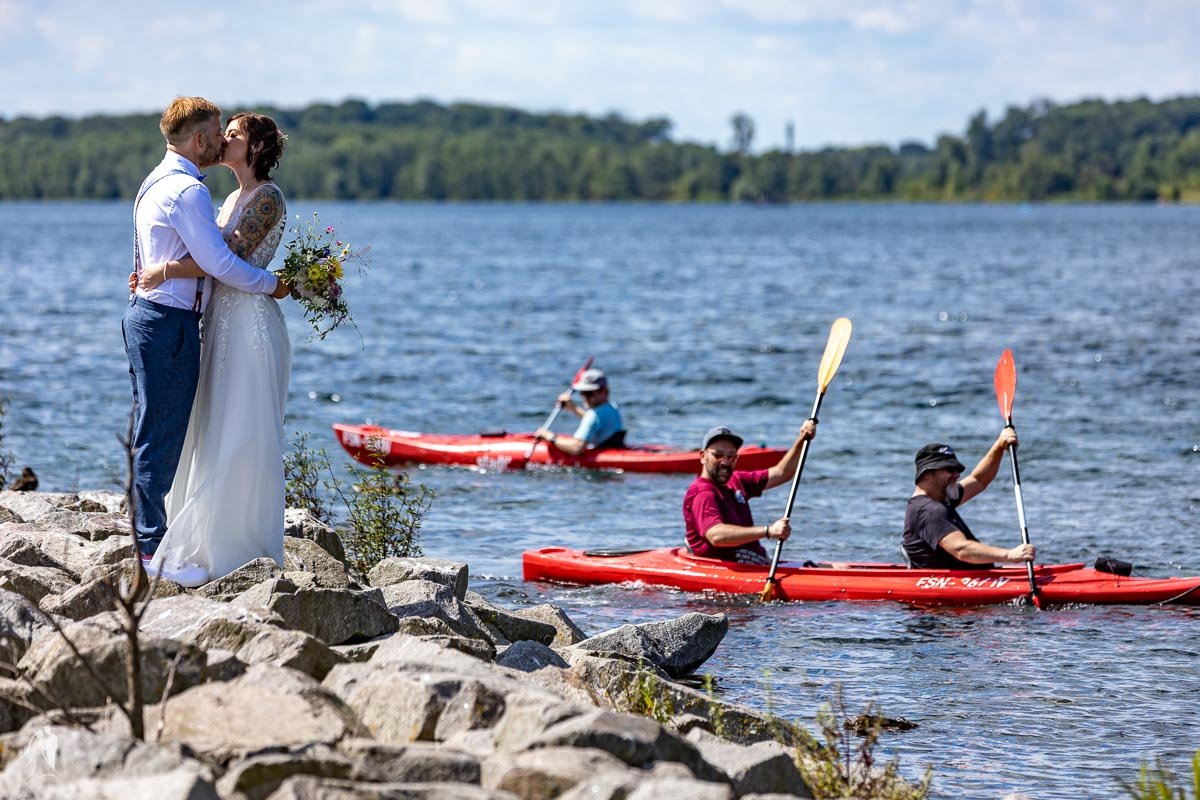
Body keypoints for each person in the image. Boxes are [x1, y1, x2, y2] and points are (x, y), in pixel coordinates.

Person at [123, 97, 290, 585]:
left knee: (234, 426)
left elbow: (223, 257)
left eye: (233, 134)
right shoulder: (195, 192)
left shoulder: (256, 196)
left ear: (255, 147)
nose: (224, 140)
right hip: (193, 318)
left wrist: (166, 268)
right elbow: (221, 262)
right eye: (221, 132)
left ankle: (222, 539)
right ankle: (158, 547)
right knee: (183, 429)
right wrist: (272, 283)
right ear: (200, 140)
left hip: (238, 322)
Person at [683, 422, 817, 565]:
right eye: (718, 455)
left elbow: (782, 473)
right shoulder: (702, 493)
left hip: (758, 565)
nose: (725, 462)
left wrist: (802, 439)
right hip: (729, 570)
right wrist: (768, 531)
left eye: (731, 456)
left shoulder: (736, 480)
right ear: (703, 456)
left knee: (834, 567)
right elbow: (716, 535)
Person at [902, 433, 1036, 569]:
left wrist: (999, 446)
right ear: (927, 474)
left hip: (970, 579)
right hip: (952, 585)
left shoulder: (940, 498)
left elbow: (978, 480)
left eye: (957, 469)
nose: (957, 475)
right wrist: (1010, 555)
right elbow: (961, 550)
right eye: (950, 469)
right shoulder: (930, 510)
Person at [534, 367, 625, 455]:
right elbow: (595, 422)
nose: (585, 397)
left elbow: (577, 448)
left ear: (605, 392)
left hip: (604, 457)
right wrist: (573, 408)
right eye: (583, 392)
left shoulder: (592, 415)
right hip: (613, 449)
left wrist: (549, 436)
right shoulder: (612, 407)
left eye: (589, 393)